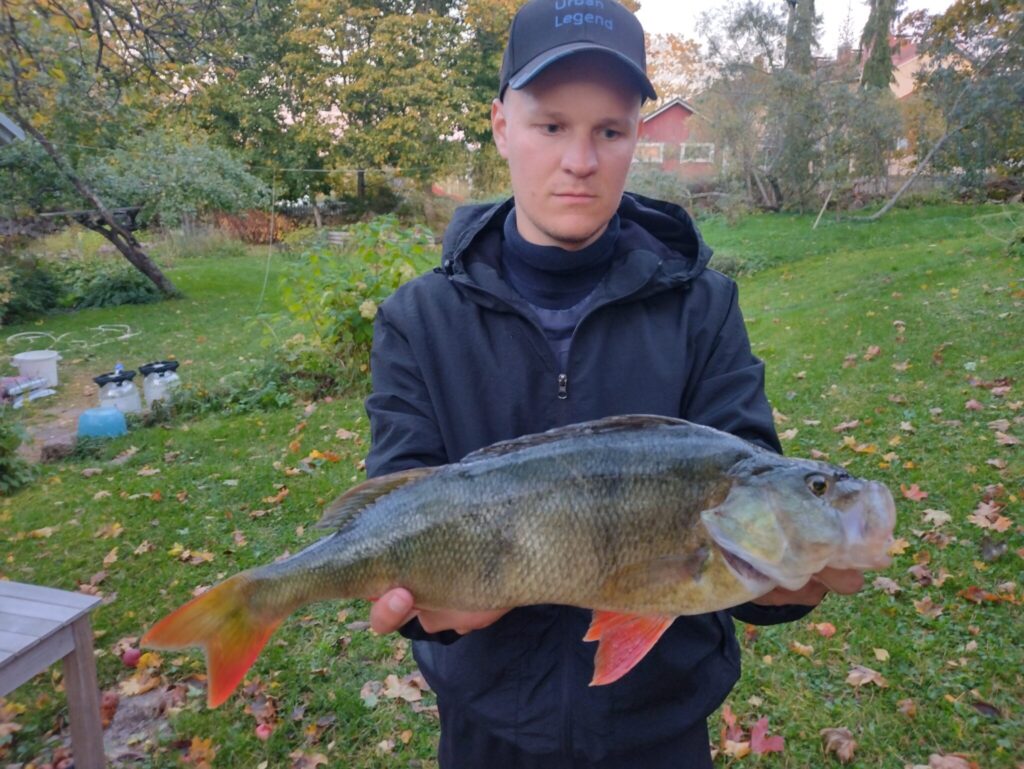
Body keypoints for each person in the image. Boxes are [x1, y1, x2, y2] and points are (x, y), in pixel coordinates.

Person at [362, 1, 865, 765]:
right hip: (488, 727)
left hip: (659, 727)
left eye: (609, 130)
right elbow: (396, 511)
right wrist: (425, 608)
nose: (580, 160)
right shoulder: (417, 320)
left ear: (636, 136)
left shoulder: (703, 306)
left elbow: (749, 486)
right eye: (551, 125)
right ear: (501, 127)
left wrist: (786, 579)